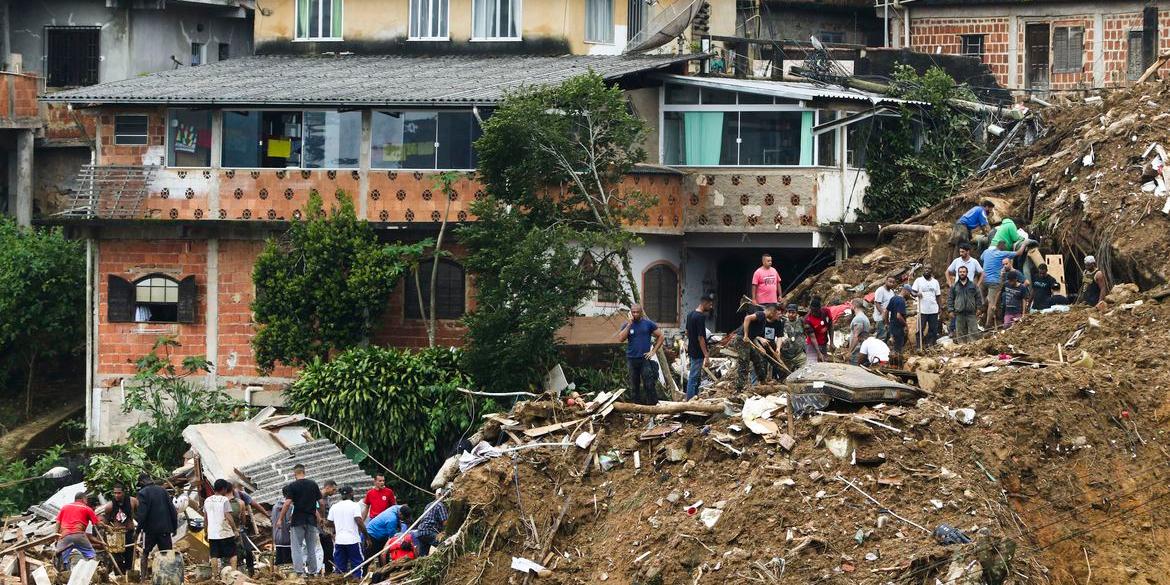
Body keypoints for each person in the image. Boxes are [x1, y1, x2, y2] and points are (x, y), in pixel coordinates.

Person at [277, 464, 323, 576]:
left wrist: (280, 519)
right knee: (311, 547)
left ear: (295, 474)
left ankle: (299, 572)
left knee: (297, 547)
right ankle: (313, 572)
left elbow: (287, 503)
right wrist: (321, 517)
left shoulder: (292, 486)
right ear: (304, 472)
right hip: (311, 520)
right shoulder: (313, 484)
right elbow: (321, 502)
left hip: (297, 520)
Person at [617, 304, 664, 406]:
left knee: (649, 384)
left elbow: (661, 336)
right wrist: (629, 324)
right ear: (630, 312)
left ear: (641, 312)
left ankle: (652, 407)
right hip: (631, 359)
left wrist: (653, 351)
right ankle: (636, 409)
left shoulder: (648, 324)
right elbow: (621, 339)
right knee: (634, 386)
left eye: (637, 312)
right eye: (633, 312)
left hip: (644, 359)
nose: (635, 314)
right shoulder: (627, 324)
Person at [136, 474, 178, 579]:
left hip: (150, 530)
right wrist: (174, 526)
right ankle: (169, 577)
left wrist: (137, 531)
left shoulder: (142, 493)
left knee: (145, 553)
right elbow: (173, 510)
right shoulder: (163, 491)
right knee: (167, 554)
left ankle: (143, 578)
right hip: (165, 528)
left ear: (141, 483)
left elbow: (142, 515)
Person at [980, 240, 1027, 329]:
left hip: (983, 280)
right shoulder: (1003, 254)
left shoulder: (986, 252)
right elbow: (1019, 252)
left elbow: (981, 258)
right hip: (994, 281)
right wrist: (1025, 243)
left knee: (988, 299)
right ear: (1003, 247)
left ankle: (983, 310)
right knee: (992, 303)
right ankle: (988, 324)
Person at [327, 486, 367, 578]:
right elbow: (358, 520)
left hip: (339, 541)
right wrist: (367, 537)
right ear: (352, 493)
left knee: (339, 566)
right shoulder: (355, 505)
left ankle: (339, 581)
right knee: (357, 565)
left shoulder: (334, 506)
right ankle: (357, 581)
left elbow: (329, 523)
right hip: (353, 540)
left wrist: (338, 523)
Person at [739, 303, 783, 386]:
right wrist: (745, 335)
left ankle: (763, 382)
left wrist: (777, 349)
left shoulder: (768, 321)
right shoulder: (761, 314)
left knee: (758, 361)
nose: (777, 316)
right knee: (745, 363)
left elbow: (754, 335)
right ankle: (742, 387)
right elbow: (747, 318)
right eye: (776, 314)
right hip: (743, 340)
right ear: (772, 312)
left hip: (763, 344)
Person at [97, 483, 136, 573]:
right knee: (117, 558)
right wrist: (102, 525)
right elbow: (106, 521)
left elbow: (140, 514)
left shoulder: (132, 501)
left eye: (119, 493)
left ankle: (129, 577)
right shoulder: (109, 506)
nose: (116, 495)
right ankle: (119, 576)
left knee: (130, 557)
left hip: (130, 533)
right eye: (115, 493)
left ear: (124, 492)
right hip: (117, 535)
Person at [684, 292, 716, 400]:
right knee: (693, 377)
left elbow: (687, 332)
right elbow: (701, 337)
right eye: (710, 305)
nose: (711, 307)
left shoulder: (690, 314)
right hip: (698, 352)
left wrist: (690, 344)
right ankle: (690, 400)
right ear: (705, 303)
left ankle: (695, 397)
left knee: (696, 376)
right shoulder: (700, 317)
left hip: (692, 350)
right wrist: (706, 354)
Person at [55, 492, 99, 569]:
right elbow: (98, 523)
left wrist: (56, 535)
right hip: (78, 534)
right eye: (86, 500)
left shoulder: (65, 507)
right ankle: (93, 572)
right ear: (84, 499)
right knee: (91, 555)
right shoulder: (87, 508)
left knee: (61, 557)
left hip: (65, 535)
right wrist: (106, 527)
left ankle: (63, 575)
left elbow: (58, 522)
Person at [205, 479, 238, 573]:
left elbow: (205, 518)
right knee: (233, 554)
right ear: (223, 489)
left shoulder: (207, 500)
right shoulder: (224, 500)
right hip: (224, 532)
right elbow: (228, 515)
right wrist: (235, 529)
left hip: (212, 533)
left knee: (214, 555)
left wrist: (206, 531)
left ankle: (215, 576)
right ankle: (234, 573)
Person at [948, 265, 982, 342]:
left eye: (963, 272)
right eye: (960, 272)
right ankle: (962, 348)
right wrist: (950, 310)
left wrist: (979, 308)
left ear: (967, 273)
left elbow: (978, 297)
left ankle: (973, 348)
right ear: (958, 273)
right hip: (959, 313)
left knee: (973, 332)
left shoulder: (973, 285)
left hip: (971, 313)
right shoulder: (954, 286)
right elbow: (950, 299)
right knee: (960, 333)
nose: (962, 273)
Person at [912, 267, 942, 348]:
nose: (927, 270)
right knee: (920, 329)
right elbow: (912, 292)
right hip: (922, 310)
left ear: (931, 271)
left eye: (929, 269)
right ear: (923, 270)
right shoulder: (918, 280)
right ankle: (919, 346)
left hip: (933, 309)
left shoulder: (935, 282)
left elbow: (938, 296)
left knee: (933, 329)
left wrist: (940, 307)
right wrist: (916, 294)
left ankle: (930, 345)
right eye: (925, 269)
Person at [777, 304, 808, 372]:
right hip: (785, 356)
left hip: (799, 354)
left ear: (797, 313)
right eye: (789, 312)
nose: (791, 314)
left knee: (806, 371)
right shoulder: (782, 322)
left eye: (793, 312)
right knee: (785, 376)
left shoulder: (801, 321)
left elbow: (807, 333)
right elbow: (779, 337)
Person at [803, 296, 833, 363]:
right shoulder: (807, 320)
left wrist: (831, 342)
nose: (814, 313)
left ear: (820, 308)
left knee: (823, 366)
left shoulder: (826, 312)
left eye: (816, 311)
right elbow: (812, 337)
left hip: (823, 343)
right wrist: (818, 353)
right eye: (812, 311)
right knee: (812, 366)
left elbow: (830, 326)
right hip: (812, 345)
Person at [318, 480, 337, 573]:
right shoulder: (317, 498)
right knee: (321, 552)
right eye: (333, 490)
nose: (334, 492)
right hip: (318, 530)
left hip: (326, 530)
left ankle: (328, 572)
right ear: (327, 487)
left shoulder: (327, 499)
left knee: (329, 551)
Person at [887, 285, 911, 356]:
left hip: (892, 325)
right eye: (909, 292)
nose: (909, 294)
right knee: (898, 349)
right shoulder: (901, 301)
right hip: (898, 328)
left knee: (891, 347)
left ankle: (891, 362)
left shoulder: (893, 298)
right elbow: (899, 316)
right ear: (905, 290)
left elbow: (886, 311)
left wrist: (886, 322)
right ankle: (897, 364)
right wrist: (905, 324)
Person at [846, 299, 871, 365]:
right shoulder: (864, 317)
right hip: (861, 351)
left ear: (854, 306)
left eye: (851, 305)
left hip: (856, 352)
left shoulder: (858, 319)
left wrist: (849, 352)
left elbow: (856, 337)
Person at [872, 275, 896, 341]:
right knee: (881, 336)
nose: (891, 283)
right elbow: (877, 303)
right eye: (890, 281)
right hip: (881, 318)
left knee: (887, 335)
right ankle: (877, 351)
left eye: (893, 282)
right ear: (885, 281)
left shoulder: (891, 292)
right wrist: (883, 313)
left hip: (888, 317)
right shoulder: (880, 290)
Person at [272, 488, 293, 567]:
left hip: (277, 538)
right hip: (288, 539)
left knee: (279, 562)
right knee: (288, 565)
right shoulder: (290, 506)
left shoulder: (275, 506)